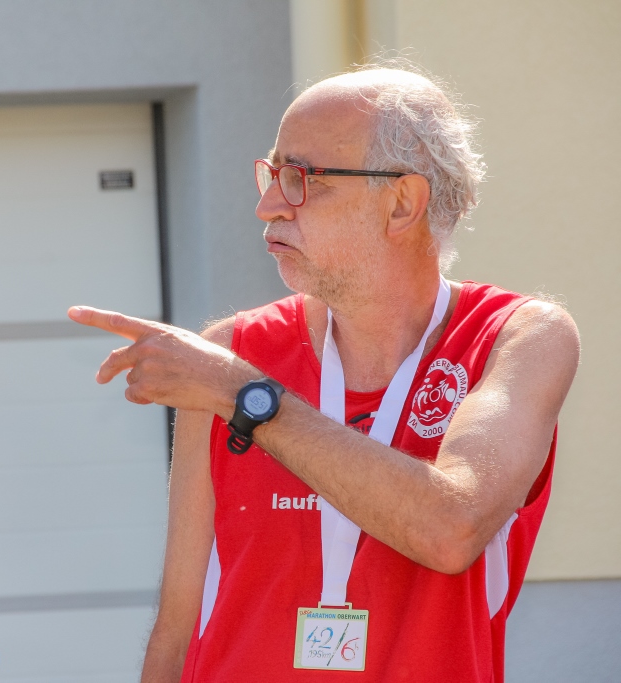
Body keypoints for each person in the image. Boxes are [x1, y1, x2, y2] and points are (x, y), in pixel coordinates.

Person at [68, 65, 580, 682]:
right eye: (272, 174)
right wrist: (236, 382)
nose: (267, 205)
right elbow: (177, 632)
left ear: (401, 203)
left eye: (302, 179)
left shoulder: (518, 338)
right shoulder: (232, 351)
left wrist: (246, 396)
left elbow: (451, 528)